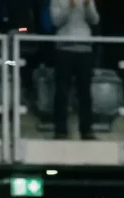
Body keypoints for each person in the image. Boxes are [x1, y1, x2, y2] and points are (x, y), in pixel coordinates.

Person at [50, 0, 100, 140]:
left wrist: (87, 5)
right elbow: (56, 21)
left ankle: (86, 129)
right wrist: (69, 6)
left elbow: (95, 19)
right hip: (63, 48)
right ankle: (60, 129)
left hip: (84, 48)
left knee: (84, 91)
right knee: (62, 90)